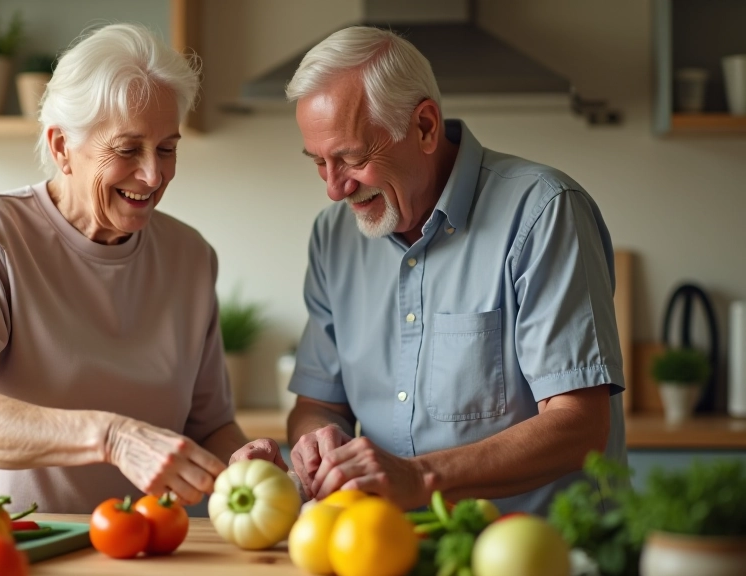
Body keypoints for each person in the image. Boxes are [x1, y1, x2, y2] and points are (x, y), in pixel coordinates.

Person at [232, 26, 627, 515]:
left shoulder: (544, 212)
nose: (334, 189)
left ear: (423, 126)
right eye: (318, 163)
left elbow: (580, 427)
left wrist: (420, 478)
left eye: (351, 158)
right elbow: (320, 404)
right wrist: (318, 443)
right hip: (387, 548)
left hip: (542, 553)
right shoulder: (334, 236)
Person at [0, 23, 252, 514]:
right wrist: (112, 436)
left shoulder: (191, 257)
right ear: (60, 147)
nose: (153, 175)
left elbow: (210, 427)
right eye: (127, 149)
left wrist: (247, 464)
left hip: (131, 552)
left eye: (167, 148)